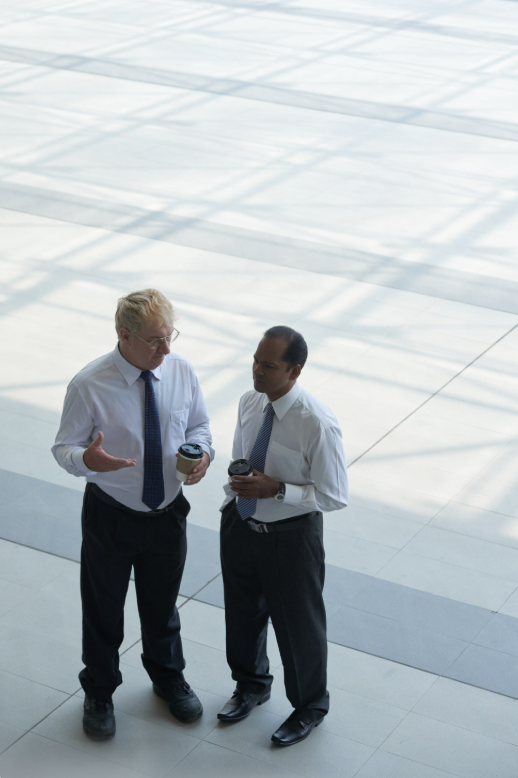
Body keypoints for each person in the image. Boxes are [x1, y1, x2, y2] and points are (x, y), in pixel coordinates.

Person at [52, 288, 214, 741]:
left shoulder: (180, 371)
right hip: (111, 514)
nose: (167, 349)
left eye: (169, 336)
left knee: (162, 607)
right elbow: (63, 447)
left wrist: (204, 454)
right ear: (124, 335)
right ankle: (100, 691)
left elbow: (199, 424)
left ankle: (167, 678)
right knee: (103, 608)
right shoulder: (90, 384)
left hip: (167, 513)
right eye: (155, 341)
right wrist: (88, 461)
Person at [217, 325, 348, 747]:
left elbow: (333, 496)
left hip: (291, 538)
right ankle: (251, 684)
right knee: (241, 615)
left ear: (294, 371)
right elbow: (243, 454)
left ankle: (309, 706)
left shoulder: (317, 423)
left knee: (298, 627)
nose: (257, 371)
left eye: (268, 366)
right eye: (256, 360)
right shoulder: (249, 401)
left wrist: (276, 489)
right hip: (242, 524)